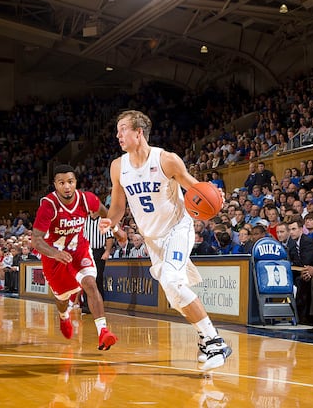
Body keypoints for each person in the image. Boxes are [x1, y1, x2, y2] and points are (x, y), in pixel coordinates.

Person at [99, 110, 231, 371]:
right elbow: (117, 206)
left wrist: (215, 195)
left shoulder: (166, 160)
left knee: (171, 280)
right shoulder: (118, 166)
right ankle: (206, 340)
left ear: (139, 132)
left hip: (177, 228)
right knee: (173, 292)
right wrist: (110, 221)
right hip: (152, 238)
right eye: (117, 130)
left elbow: (195, 188)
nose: (118, 135)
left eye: (123, 129)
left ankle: (216, 342)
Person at [31, 164, 117, 351]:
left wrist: (115, 229)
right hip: (54, 256)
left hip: (79, 250)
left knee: (90, 284)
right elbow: (36, 240)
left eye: (70, 182)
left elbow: (102, 210)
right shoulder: (49, 205)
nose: (67, 186)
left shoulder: (85, 199)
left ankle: (103, 332)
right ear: (55, 184)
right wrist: (55, 253)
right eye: (62, 183)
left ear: (75, 182)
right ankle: (64, 317)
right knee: (62, 298)